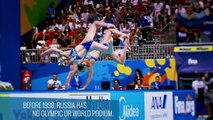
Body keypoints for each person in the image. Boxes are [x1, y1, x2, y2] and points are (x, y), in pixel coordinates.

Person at [65, 28, 130, 90]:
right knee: (121, 62)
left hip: (104, 47)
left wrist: (66, 83)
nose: (86, 64)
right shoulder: (90, 65)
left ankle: (121, 36)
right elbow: (89, 78)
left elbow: (72, 72)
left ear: (81, 64)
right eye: (85, 66)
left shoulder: (83, 58)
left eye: (84, 64)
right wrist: (84, 87)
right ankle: (125, 45)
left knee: (110, 31)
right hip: (106, 50)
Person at [41, 20, 117, 67]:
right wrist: (43, 54)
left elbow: (52, 49)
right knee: (109, 50)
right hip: (89, 45)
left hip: (86, 43)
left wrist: (43, 54)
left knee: (95, 23)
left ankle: (108, 28)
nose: (66, 64)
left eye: (65, 63)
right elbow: (52, 49)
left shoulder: (67, 55)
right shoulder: (74, 61)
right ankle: (110, 38)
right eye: (65, 64)